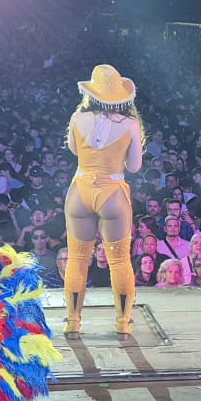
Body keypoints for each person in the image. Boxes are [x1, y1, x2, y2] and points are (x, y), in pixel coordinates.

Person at [60, 65, 146, 336]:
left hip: (80, 189)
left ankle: (73, 321)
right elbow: (134, 167)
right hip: (112, 192)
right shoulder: (131, 124)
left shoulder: (77, 118)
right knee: (120, 261)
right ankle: (123, 323)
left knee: (76, 257)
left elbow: (74, 150)